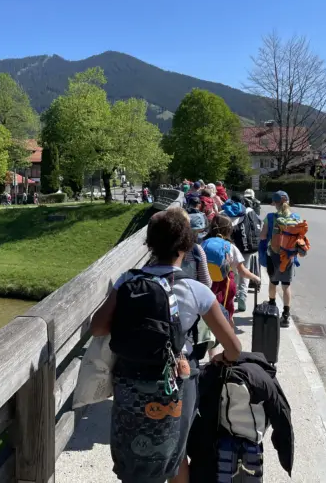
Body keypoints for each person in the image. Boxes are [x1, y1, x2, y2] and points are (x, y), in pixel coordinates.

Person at [91, 207, 241, 483]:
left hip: (129, 380)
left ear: (149, 245)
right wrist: (220, 358)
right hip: (177, 380)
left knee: (132, 450)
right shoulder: (196, 290)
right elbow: (234, 347)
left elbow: (97, 327)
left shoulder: (128, 280)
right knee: (175, 453)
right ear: (186, 245)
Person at [202, 215, 261, 324]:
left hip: (206, 285)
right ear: (229, 230)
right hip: (226, 287)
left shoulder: (203, 244)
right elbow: (242, 271)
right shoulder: (230, 247)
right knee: (227, 316)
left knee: (208, 313)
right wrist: (255, 277)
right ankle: (228, 337)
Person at [260, 191, 300, 328]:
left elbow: (263, 236)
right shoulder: (296, 217)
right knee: (286, 285)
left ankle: (272, 307)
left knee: (273, 282)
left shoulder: (270, 217)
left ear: (275, 203)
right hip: (289, 255)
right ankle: (286, 316)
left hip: (274, 254)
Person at [223, 194, 262, 313]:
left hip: (231, 245)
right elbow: (258, 226)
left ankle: (232, 293)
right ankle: (242, 296)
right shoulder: (249, 211)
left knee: (232, 272)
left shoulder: (225, 211)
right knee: (245, 270)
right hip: (246, 246)